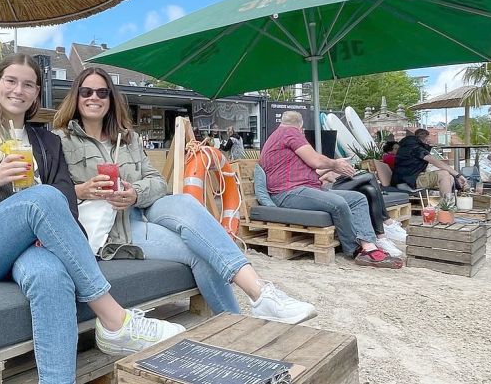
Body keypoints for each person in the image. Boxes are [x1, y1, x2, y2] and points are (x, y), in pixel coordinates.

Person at [0, 55, 182, 384]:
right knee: (43, 196)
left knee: (51, 277)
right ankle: (115, 319)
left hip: (32, 247)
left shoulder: (46, 141)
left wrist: (50, 234)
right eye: (11, 81)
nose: (19, 89)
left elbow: (67, 200)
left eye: (28, 84)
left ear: (36, 93)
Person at [53, 67, 316, 324]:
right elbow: (48, 193)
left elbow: (157, 182)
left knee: (184, 201)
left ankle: (261, 293)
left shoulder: (129, 138)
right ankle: (237, 322)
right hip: (112, 229)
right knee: (201, 252)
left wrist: (136, 193)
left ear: (111, 99)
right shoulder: (61, 140)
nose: (94, 98)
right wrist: (81, 190)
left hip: (140, 210)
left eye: (102, 92)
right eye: (86, 91)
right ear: (76, 96)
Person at [260, 111, 402, 269]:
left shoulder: (277, 136)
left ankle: (369, 246)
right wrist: (335, 164)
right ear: (301, 128)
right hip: (288, 192)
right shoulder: (290, 133)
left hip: (301, 188)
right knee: (339, 203)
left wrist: (331, 169)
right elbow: (316, 160)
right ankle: (354, 249)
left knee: (358, 198)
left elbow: (306, 169)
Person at [391, 128, 468, 197]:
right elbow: (434, 161)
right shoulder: (414, 147)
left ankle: (446, 203)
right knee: (444, 174)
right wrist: (458, 175)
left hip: (408, 178)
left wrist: (455, 177)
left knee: (450, 177)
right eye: (429, 138)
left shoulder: (409, 145)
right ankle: (446, 207)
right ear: (426, 138)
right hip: (407, 181)